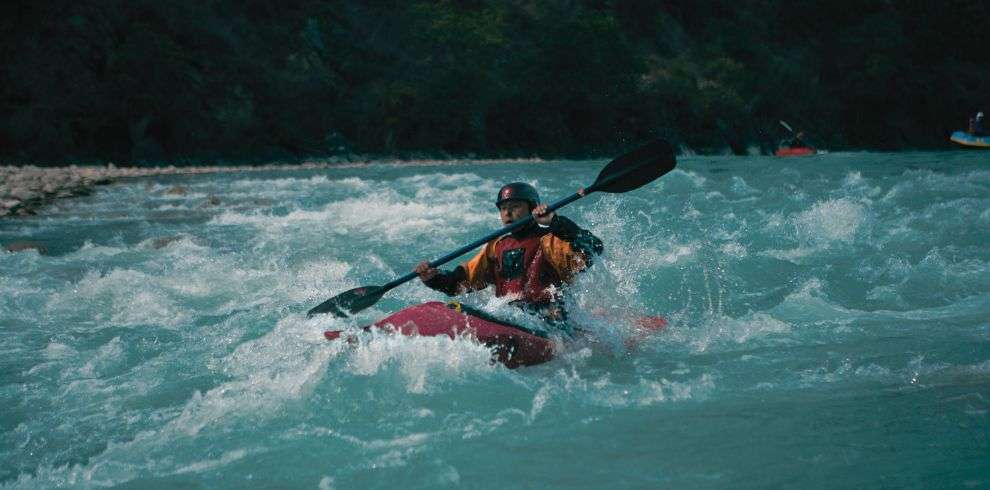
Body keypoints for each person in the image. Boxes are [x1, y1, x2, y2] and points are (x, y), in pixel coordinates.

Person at [414, 182, 603, 329]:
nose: (508, 212)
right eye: (503, 208)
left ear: (532, 208)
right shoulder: (495, 246)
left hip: (550, 321)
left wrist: (555, 221)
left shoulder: (551, 240)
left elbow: (594, 248)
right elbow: (461, 282)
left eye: (515, 206)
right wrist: (434, 278)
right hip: (509, 316)